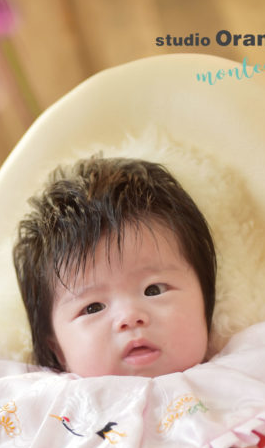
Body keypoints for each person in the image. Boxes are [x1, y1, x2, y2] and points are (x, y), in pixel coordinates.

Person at [13, 156, 217, 378]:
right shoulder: (46, 400)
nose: (129, 317)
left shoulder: (244, 371)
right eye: (93, 307)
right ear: (58, 350)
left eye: (154, 290)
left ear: (205, 301)